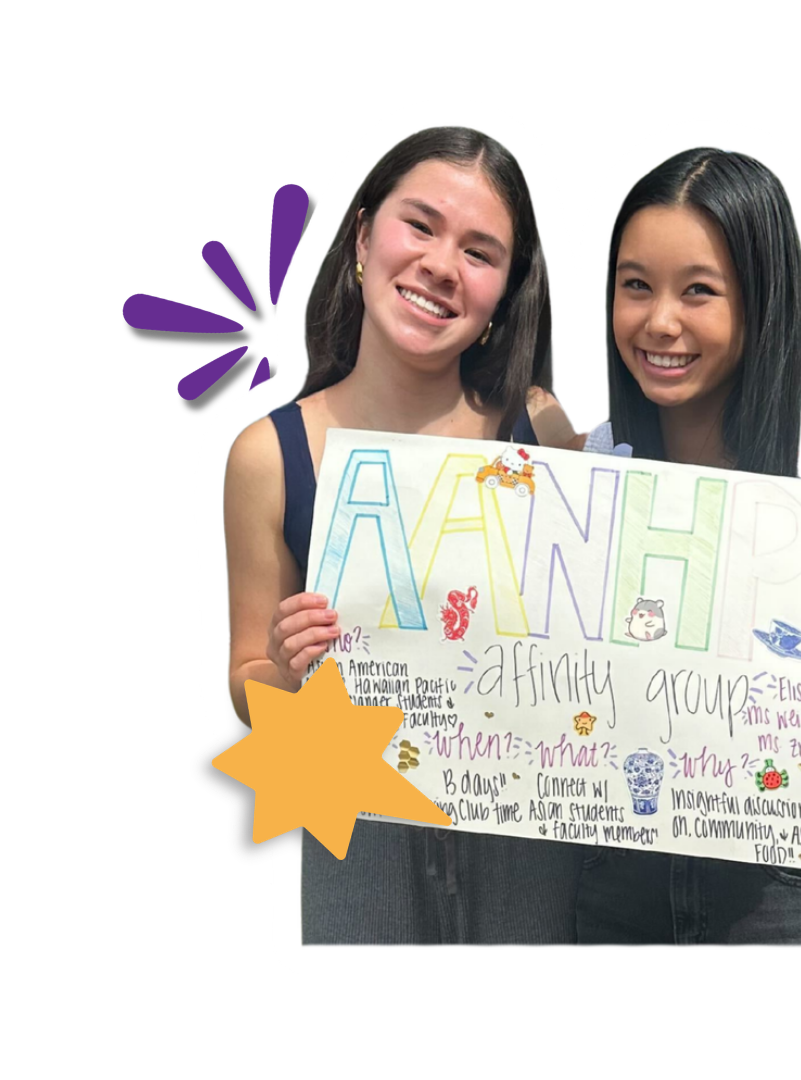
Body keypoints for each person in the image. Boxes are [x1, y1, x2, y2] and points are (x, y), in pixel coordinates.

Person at [223, 127, 586, 944]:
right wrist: (283, 669)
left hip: (529, 828)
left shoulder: (538, 429)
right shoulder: (268, 456)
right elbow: (246, 674)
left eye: (480, 252)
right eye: (420, 225)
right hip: (359, 835)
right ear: (362, 237)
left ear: (506, 292)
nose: (441, 265)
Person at [564, 148, 801, 944]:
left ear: (762, 306)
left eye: (698, 290)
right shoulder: (572, 481)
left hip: (782, 886)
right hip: (615, 878)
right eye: (635, 285)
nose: (660, 321)